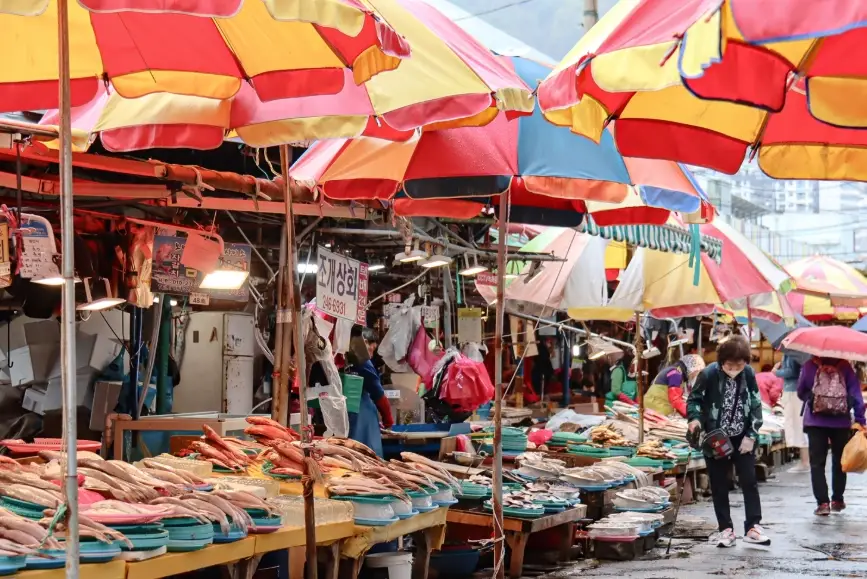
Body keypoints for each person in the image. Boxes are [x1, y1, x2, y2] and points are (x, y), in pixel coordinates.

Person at [687, 335, 769, 548]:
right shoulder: (708, 374)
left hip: (742, 436)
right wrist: (695, 421)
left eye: (739, 365)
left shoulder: (748, 374)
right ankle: (726, 529)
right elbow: (694, 400)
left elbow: (756, 404)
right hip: (715, 438)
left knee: (749, 481)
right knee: (719, 483)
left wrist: (752, 434)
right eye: (730, 365)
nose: (734, 368)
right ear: (721, 361)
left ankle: (753, 526)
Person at [797, 356, 866, 516]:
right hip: (840, 422)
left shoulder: (808, 365)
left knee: (817, 464)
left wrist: (813, 399)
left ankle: (822, 503)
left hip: (815, 421)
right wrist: (861, 420)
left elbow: (801, 391)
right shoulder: (846, 366)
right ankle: (837, 499)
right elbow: (856, 395)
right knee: (840, 461)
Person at [346, 328, 394, 457]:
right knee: (367, 454)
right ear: (365, 342)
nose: (371, 355)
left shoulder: (345, 357)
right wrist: (388, 419)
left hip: (347, 412)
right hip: (360, 415)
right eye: (372, 349)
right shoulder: (363, 362)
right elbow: (377, 393)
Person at [775, 354, 810, 473]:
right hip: (796, 391)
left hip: (793, 391)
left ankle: (805, 462)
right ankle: (804, 461)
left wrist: (776, 372)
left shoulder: (792, 352)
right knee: (799, 425)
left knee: (798, 425)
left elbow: (791, 371)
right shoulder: (796, 351)